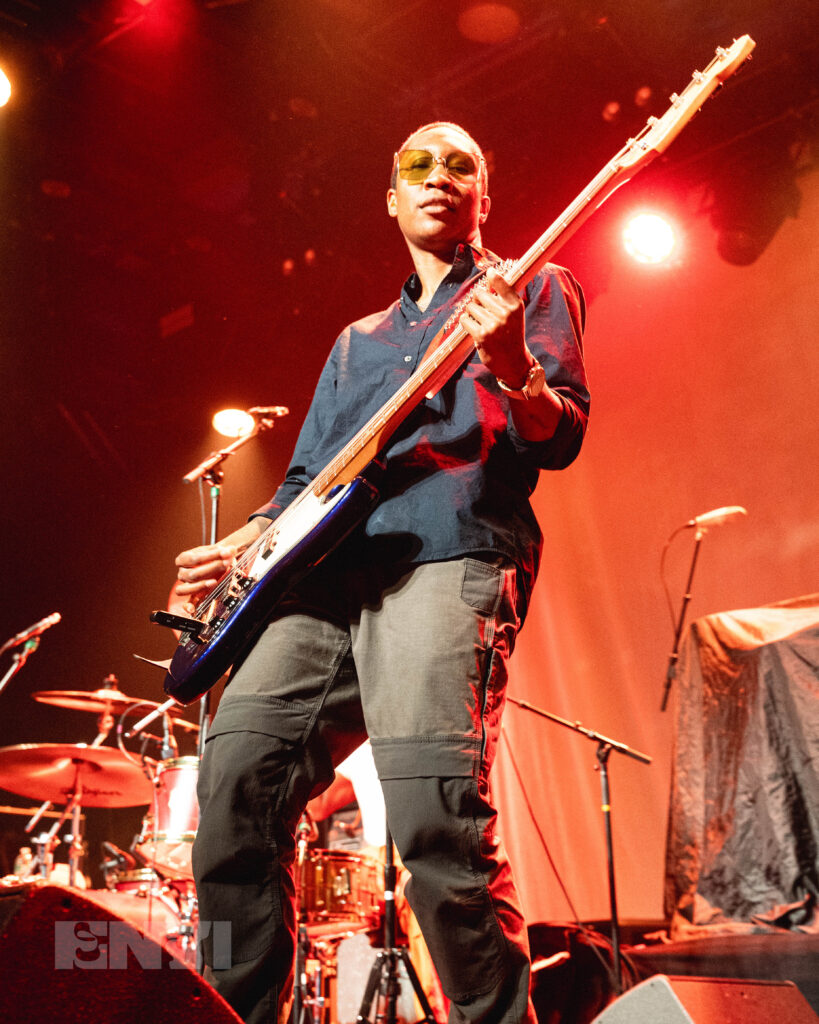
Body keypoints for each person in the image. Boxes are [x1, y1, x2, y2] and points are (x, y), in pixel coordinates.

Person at [173, 121, 589, 1024]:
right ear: (391, 199)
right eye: (418, 165)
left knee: (437, 820)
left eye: (459, 165)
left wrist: (511, 361)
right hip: (322, 583)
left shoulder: (531, 284)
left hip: (447, 554)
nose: (439, 175)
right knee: (233, 790)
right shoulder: (356, 341)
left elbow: (558, 436)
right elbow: (303, 482)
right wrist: (240, 546)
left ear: (483, 198)